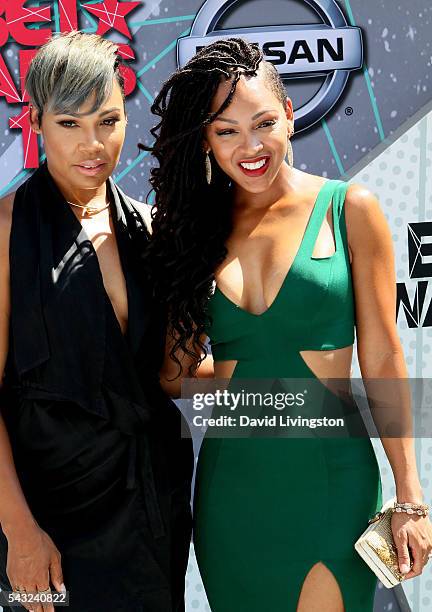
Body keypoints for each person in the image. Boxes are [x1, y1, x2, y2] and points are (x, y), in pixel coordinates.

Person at [143, 37, 432, 611]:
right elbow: (175, 377)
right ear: (205, 140)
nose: (249, 146)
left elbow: (381, 357)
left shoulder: (352, 207)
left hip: (331, 480)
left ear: (291, 116)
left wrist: (410, 495)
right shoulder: (194, 232)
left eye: (263, 123)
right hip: (232, 491)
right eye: (226, 131)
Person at [0, 31, 193, 612]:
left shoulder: (151, 229)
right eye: (69, 124)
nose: (93, 144)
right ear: (34, 122)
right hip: (48, 513)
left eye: (108, 120)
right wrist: (19, 531)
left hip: (150, 504)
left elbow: (171, 377)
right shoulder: (7, 232)